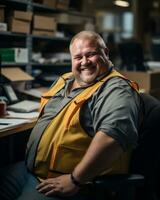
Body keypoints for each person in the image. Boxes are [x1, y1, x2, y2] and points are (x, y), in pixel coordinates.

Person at [0, 31, 142, 200]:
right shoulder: (65, 80)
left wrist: (75, 180)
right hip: (31, 170)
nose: (84, 62)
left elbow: (113, 138)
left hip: (69, 184)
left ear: (106, 53)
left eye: (91, 54)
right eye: (78, 57)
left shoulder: (116, 89)